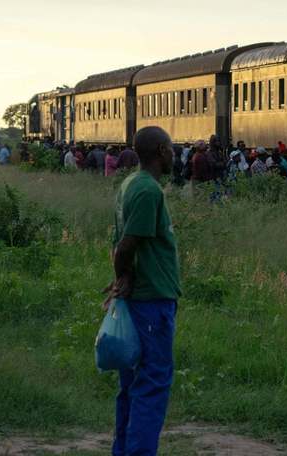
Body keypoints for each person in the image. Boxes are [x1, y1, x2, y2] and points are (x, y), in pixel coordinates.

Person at [104, 126, 180, 456]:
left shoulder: (129, 184)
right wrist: (125, 276)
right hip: (152, 301)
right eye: (172, 148)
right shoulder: (149, 191)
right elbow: (125, 246)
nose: (174, 154)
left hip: (141, 301)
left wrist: (124, 277)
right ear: (162, 151)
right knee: (151, 386)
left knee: (131, 387)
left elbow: (120, 244)